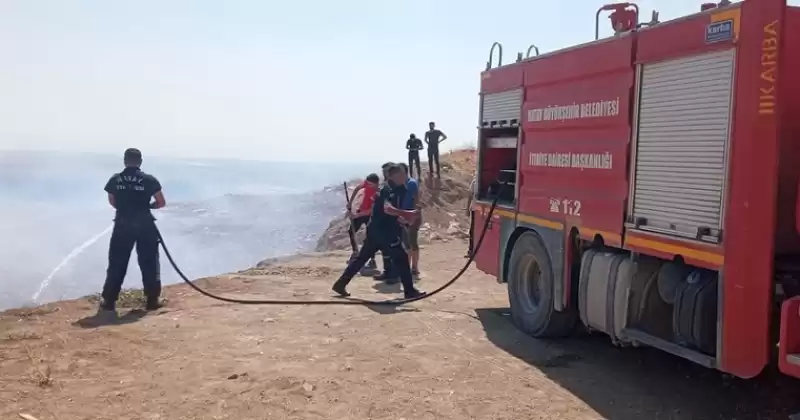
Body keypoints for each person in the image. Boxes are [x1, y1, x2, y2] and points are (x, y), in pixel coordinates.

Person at [332, 164, 425, 299]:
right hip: (384, 231)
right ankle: (409, 291)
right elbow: (388, 208)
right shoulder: (386, 189)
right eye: (401, 175)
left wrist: (403, 218)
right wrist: (407, 214)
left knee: (362, 258)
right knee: (402, 258)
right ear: (392, 176)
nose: (404, 177)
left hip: (376, 229)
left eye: (405, 175)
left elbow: (389, 212)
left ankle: (340, 284)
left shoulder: (398, 188)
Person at [99, 148, 166, 312]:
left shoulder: (115, 180)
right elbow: (161, 202)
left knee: (117, 263)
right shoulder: (149, 180)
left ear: (124, 161)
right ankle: (152, 300)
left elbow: (112, 201)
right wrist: (147, 207)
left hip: (122, 224)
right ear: (140, 161)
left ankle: (109, 301)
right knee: (149, 262)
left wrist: (125, 209)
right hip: (145, 225)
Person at [346, 173, 381, 270]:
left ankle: (372, 260)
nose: (367, 185)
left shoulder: (378, 193)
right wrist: (350, 202)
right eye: (367, 183)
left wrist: (356, 215)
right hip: (361, 210)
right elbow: (358, 188)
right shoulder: (367, 183)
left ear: (376, 184)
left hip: (371, 215)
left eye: (370, 184)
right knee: (351, 231)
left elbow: (370, 210)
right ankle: (355, 252)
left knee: (371, 237)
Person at [373, 162, 398, 283]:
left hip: (391, 222)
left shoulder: (395, 186)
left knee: (393, 250)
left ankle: (394, 275)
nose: (384, 174)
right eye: (383, 172)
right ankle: (388, 272)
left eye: (386, 172)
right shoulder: (385, 185)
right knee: (385, 250)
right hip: (382, 223)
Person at [398, 163, 422, 278]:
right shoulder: (399, 184)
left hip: (412, 216)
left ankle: (415, 267)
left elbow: (416, 200)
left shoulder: (411, 183)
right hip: (402, 216)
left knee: (412, 242)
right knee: (405, 244)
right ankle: (407, 267)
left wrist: (414, 216)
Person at [465, 173, 477, 258]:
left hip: (481, 210)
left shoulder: (478, 181)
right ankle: (471, 250)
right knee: (472, 230)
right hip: (474, 209)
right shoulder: (475, 181)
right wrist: (467, 209)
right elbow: (470, 196)